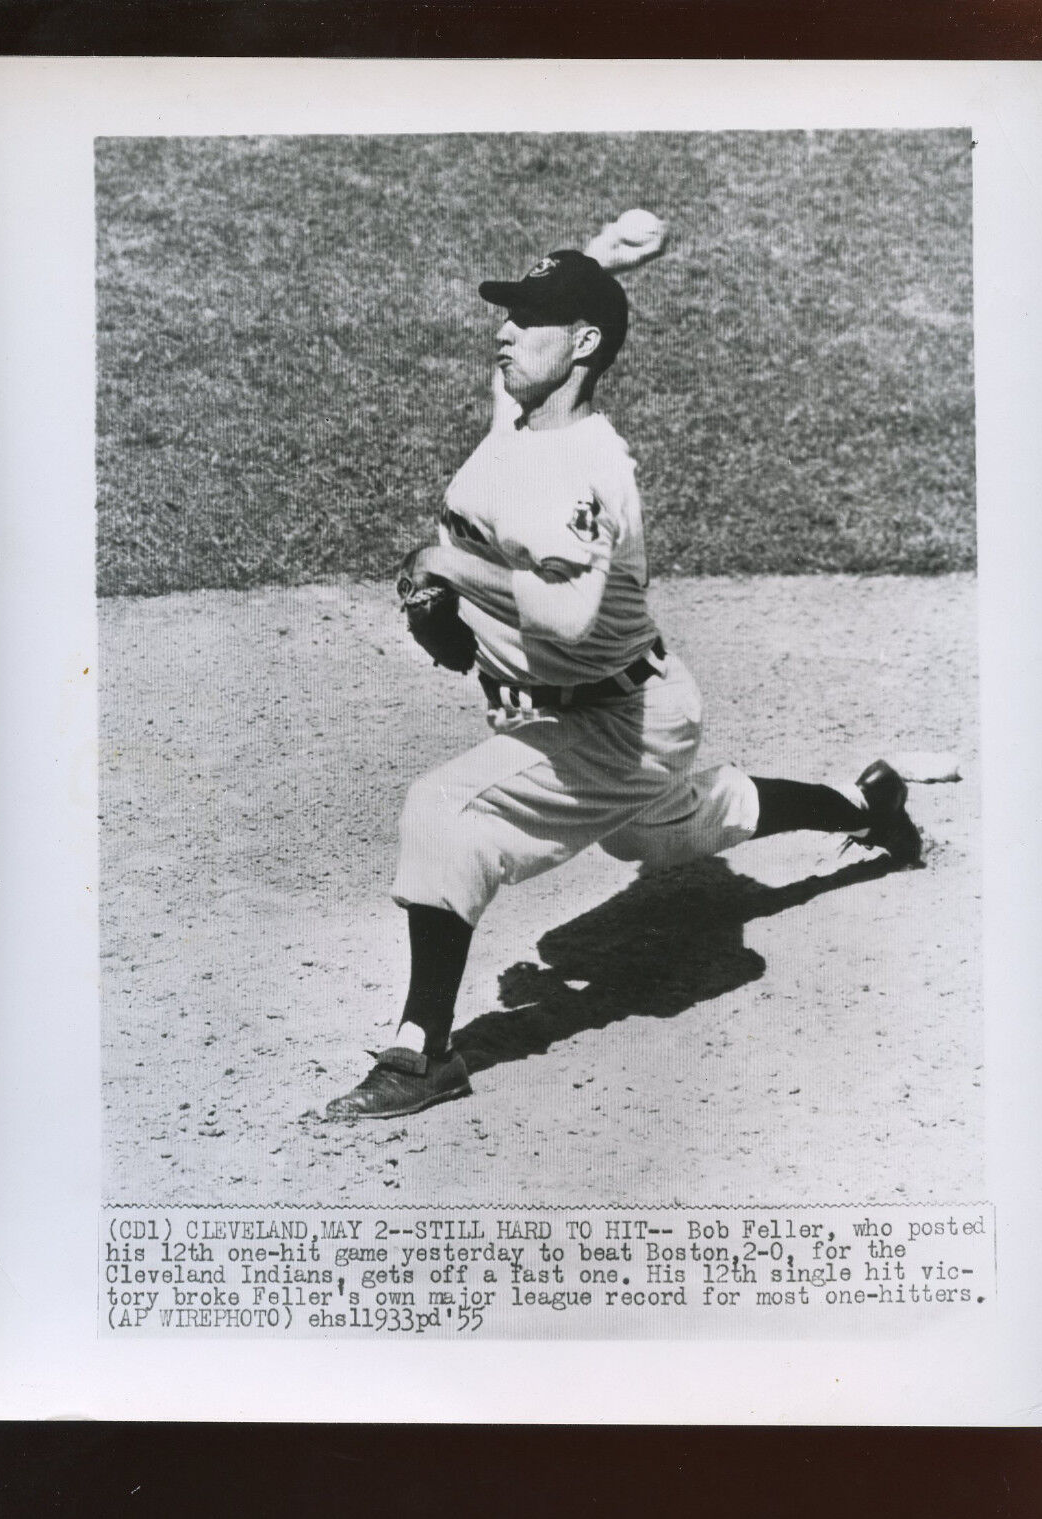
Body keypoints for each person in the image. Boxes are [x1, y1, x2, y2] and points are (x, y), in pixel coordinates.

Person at [324, 229, 921, 1122]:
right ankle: (865, 806)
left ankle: (421, 1055)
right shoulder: (520, 424)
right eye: (509, 315)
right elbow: (518, 390)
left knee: (444, 812)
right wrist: (602, 260)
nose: (503, 334)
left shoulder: (587, 470)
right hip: (631, 710)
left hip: (615, 725)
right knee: (672, 834)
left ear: (583, 346)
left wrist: (441, 569)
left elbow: (562, 615)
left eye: (530, 322)